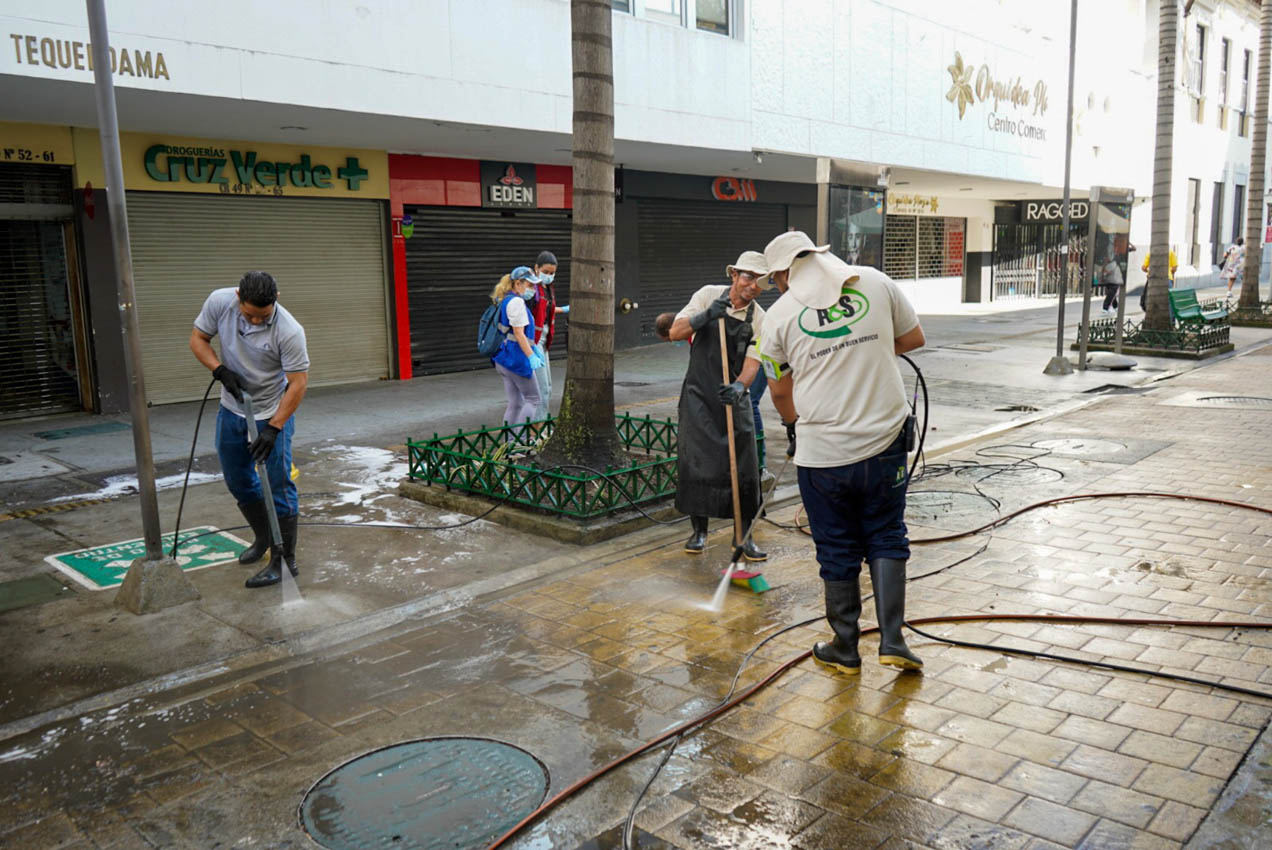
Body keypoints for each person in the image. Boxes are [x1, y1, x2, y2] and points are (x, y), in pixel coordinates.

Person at [759, 231, 926, 673]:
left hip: (823, 455)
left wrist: (793, 426)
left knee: (836, 545)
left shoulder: (777, 317)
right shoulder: (876, 281)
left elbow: (780, 391)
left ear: (783, 274)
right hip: (886, 442)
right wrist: (864, 354)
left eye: (775, 279)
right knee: (887, 534)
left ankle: (845, 648)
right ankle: (893, 640)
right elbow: (913, 338)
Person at [189, 271, 309, 589]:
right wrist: (219, 370)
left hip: (272, 412)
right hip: (232, 409)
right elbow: (198, 339)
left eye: (263, 316)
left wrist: (273, 428)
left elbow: (298, 384)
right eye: (249, 314)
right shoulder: (219, 302)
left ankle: (285, 560)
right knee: (238, 479)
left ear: (276, 300)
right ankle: (264, 538)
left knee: (278, 484)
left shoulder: (290, 331)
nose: (256, 321)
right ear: (238, 298)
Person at [668, 251, 771, 560]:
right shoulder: (707, 295)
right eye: (748, 277)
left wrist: (740, 386)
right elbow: (675, 332)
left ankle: (743, 536)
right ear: (734, 275)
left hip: (733, 396)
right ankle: (699, 531)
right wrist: (706, 316)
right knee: (696, 462)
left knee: (744, 466)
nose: (753, 286)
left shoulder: (760, 318)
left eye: (760, 282)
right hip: (699, 395)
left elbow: (754, 361)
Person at [490, 267, 544, 443]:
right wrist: (531, 355)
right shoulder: (517, 303)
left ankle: (509, 444)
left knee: (515, 403)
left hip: (503, 358)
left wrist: (534, 349)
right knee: (533, 399)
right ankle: (520, 441)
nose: (533, 290)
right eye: (530, 285)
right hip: (516, 359)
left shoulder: (505, 300)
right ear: (518, 283)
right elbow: (519, 334)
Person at [527, 251, 569, 421]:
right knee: (542, 389)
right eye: (546, 272)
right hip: (534, 341)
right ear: (536, 268)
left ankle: (539, 424)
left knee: (548, 387)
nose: (549, 276)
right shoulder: (531, 289)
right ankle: (537, 428)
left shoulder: (547, 288)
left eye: (552, 273)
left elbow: (547, 309)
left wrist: (564, 309)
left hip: (544, 341)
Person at [1139, 247, 1179, 311]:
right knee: (1169, 301)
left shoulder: (1150, 253)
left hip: (1153, 279)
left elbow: (1144, 268)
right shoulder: (1170, 253)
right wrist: (1170, 272)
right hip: (1167, 279)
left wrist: (1148, 271)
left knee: (1152, 300)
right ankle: (1170, 316)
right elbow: (1174, 268)